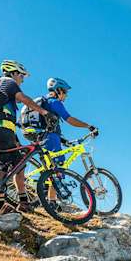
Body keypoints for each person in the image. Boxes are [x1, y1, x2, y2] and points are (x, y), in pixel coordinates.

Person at [0, 59, 50, 213]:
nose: (22, 79)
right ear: (14, 72)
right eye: (22, 76)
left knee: (19, 163)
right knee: (4, 164)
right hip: (1, 129)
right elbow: (24, 99)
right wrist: (44, 112)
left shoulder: (1, 86)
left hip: (7, 130)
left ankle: (23, 203)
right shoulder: (8, 82)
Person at [38, 77, 99, 206]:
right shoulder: (54, 102)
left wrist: (62, 140)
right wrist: (89, 126)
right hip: (50, 138)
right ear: (58, 90)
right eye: (65, 91)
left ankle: (49, 198)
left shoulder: (47, 102)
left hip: (44, 136)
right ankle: (52, 201)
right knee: (58, 167)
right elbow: (69, 119)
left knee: (51, 168)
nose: (66, 95)